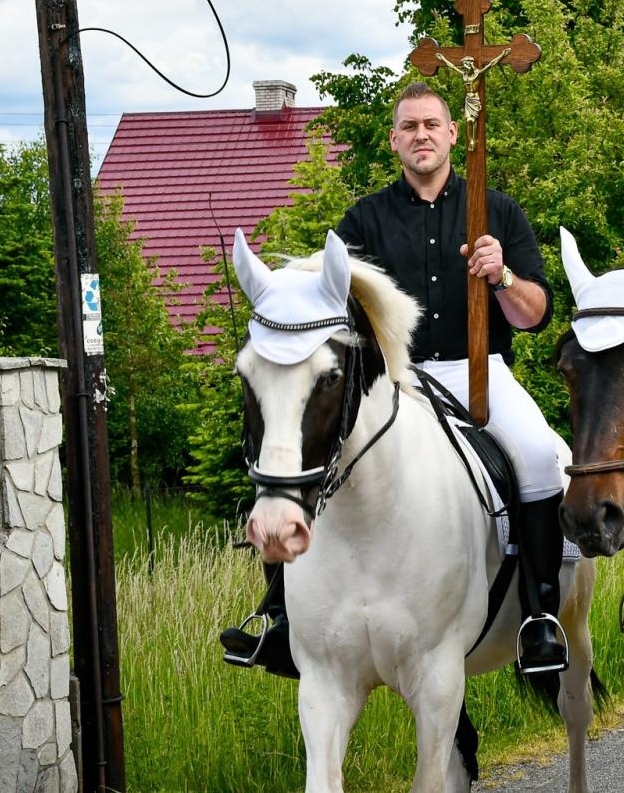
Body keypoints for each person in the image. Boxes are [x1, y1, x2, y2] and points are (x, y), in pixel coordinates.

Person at [222, 81, 571, 676]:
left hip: (478, 372)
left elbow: (535, 315)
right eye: (409, 126)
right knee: (295, 452)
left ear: (453, 133)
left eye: (432, 124)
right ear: (393, 140)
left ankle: (539, 616)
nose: (421, 135)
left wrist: (503, 277)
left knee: (538, 457)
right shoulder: (363, 221)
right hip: (393, 380)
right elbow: (325, 302)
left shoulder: (497, 212)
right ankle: (279, 616)